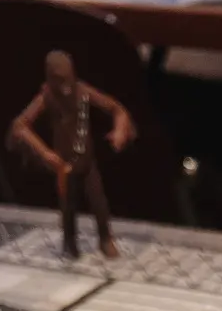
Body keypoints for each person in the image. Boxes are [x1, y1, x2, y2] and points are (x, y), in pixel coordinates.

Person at [9, 50, 137, 258]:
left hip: (87, 161)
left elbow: (116, 108)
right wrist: (44, 152)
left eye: (68, 79)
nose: (66, 86)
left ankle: (105, 238)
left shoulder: (83, 92)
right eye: (60, 80)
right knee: (68, 206)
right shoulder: (47, 98)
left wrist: (120, 130)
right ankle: (69, 242)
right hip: (64, 164)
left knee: (99, 202)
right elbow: (20, 125)